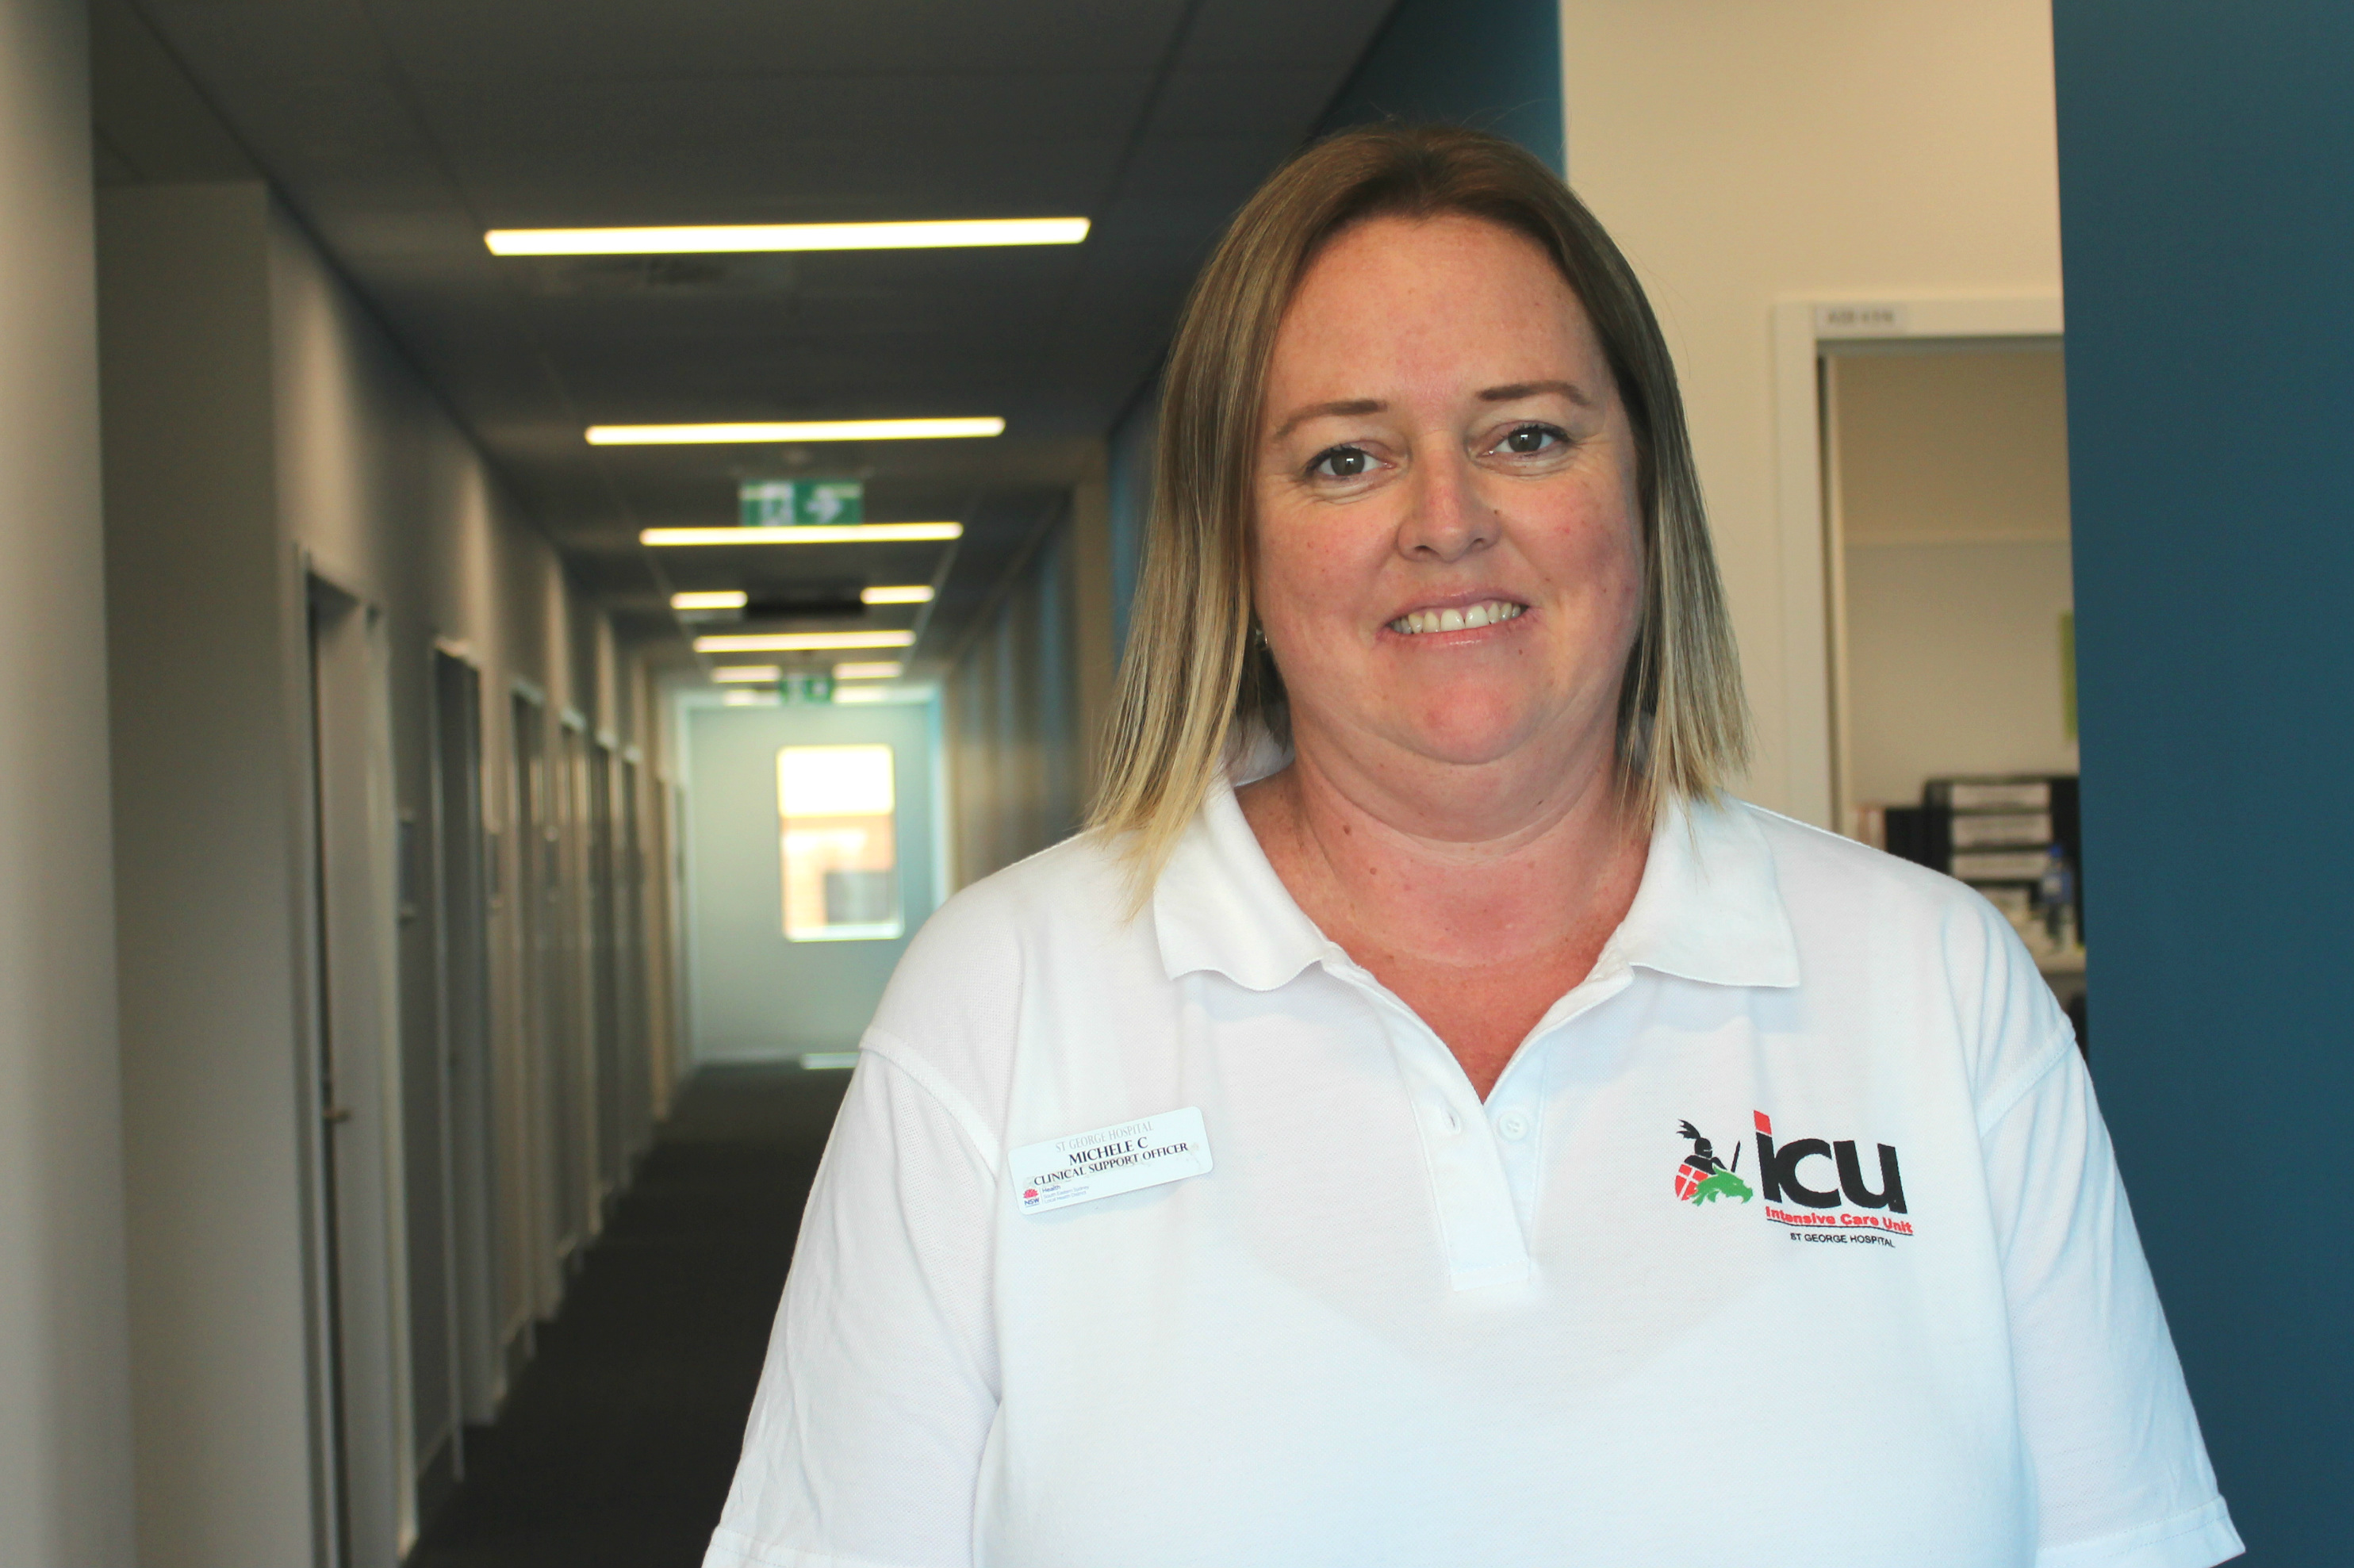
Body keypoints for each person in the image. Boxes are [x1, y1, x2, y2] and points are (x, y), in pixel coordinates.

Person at [702, 125, 2239, 1568]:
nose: (1446, 520)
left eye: (1523, 434)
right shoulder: (1006, 999)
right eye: (1344, 458)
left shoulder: (1932, 984)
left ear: (1639, 493)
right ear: (1232, 544)